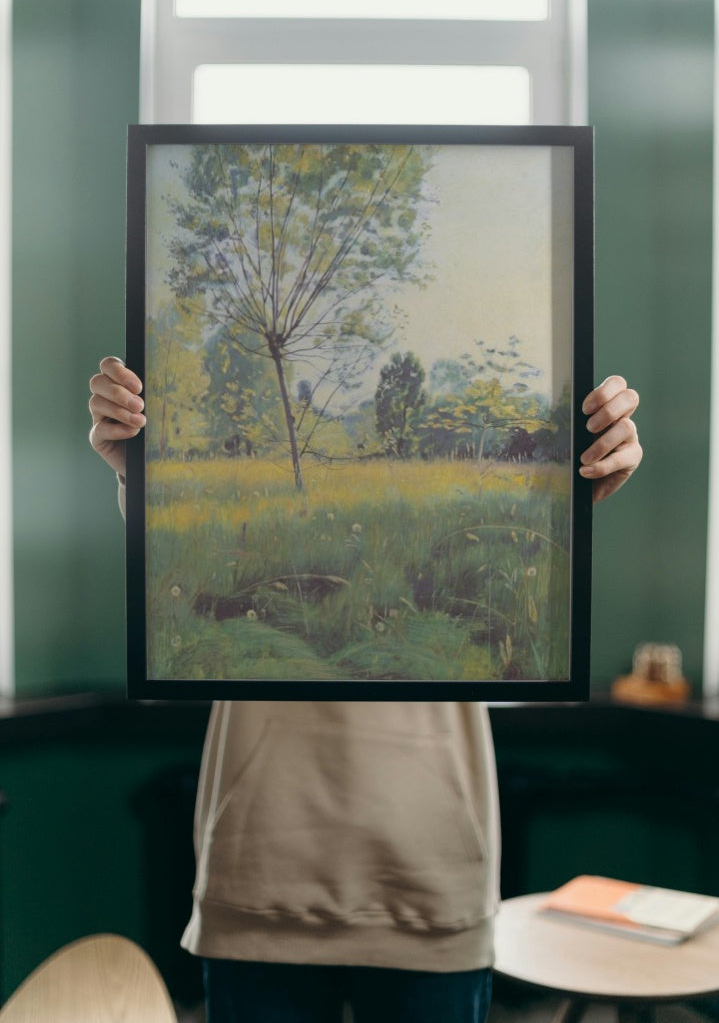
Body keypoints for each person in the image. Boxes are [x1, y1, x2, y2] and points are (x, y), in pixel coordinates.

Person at [89, 360, 642, 1023]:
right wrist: (138, 468)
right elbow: (182, 577)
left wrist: (567, 501)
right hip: (261, 871)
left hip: (433, 874)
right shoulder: (235, 514)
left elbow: (509, 608)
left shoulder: (469, 511)